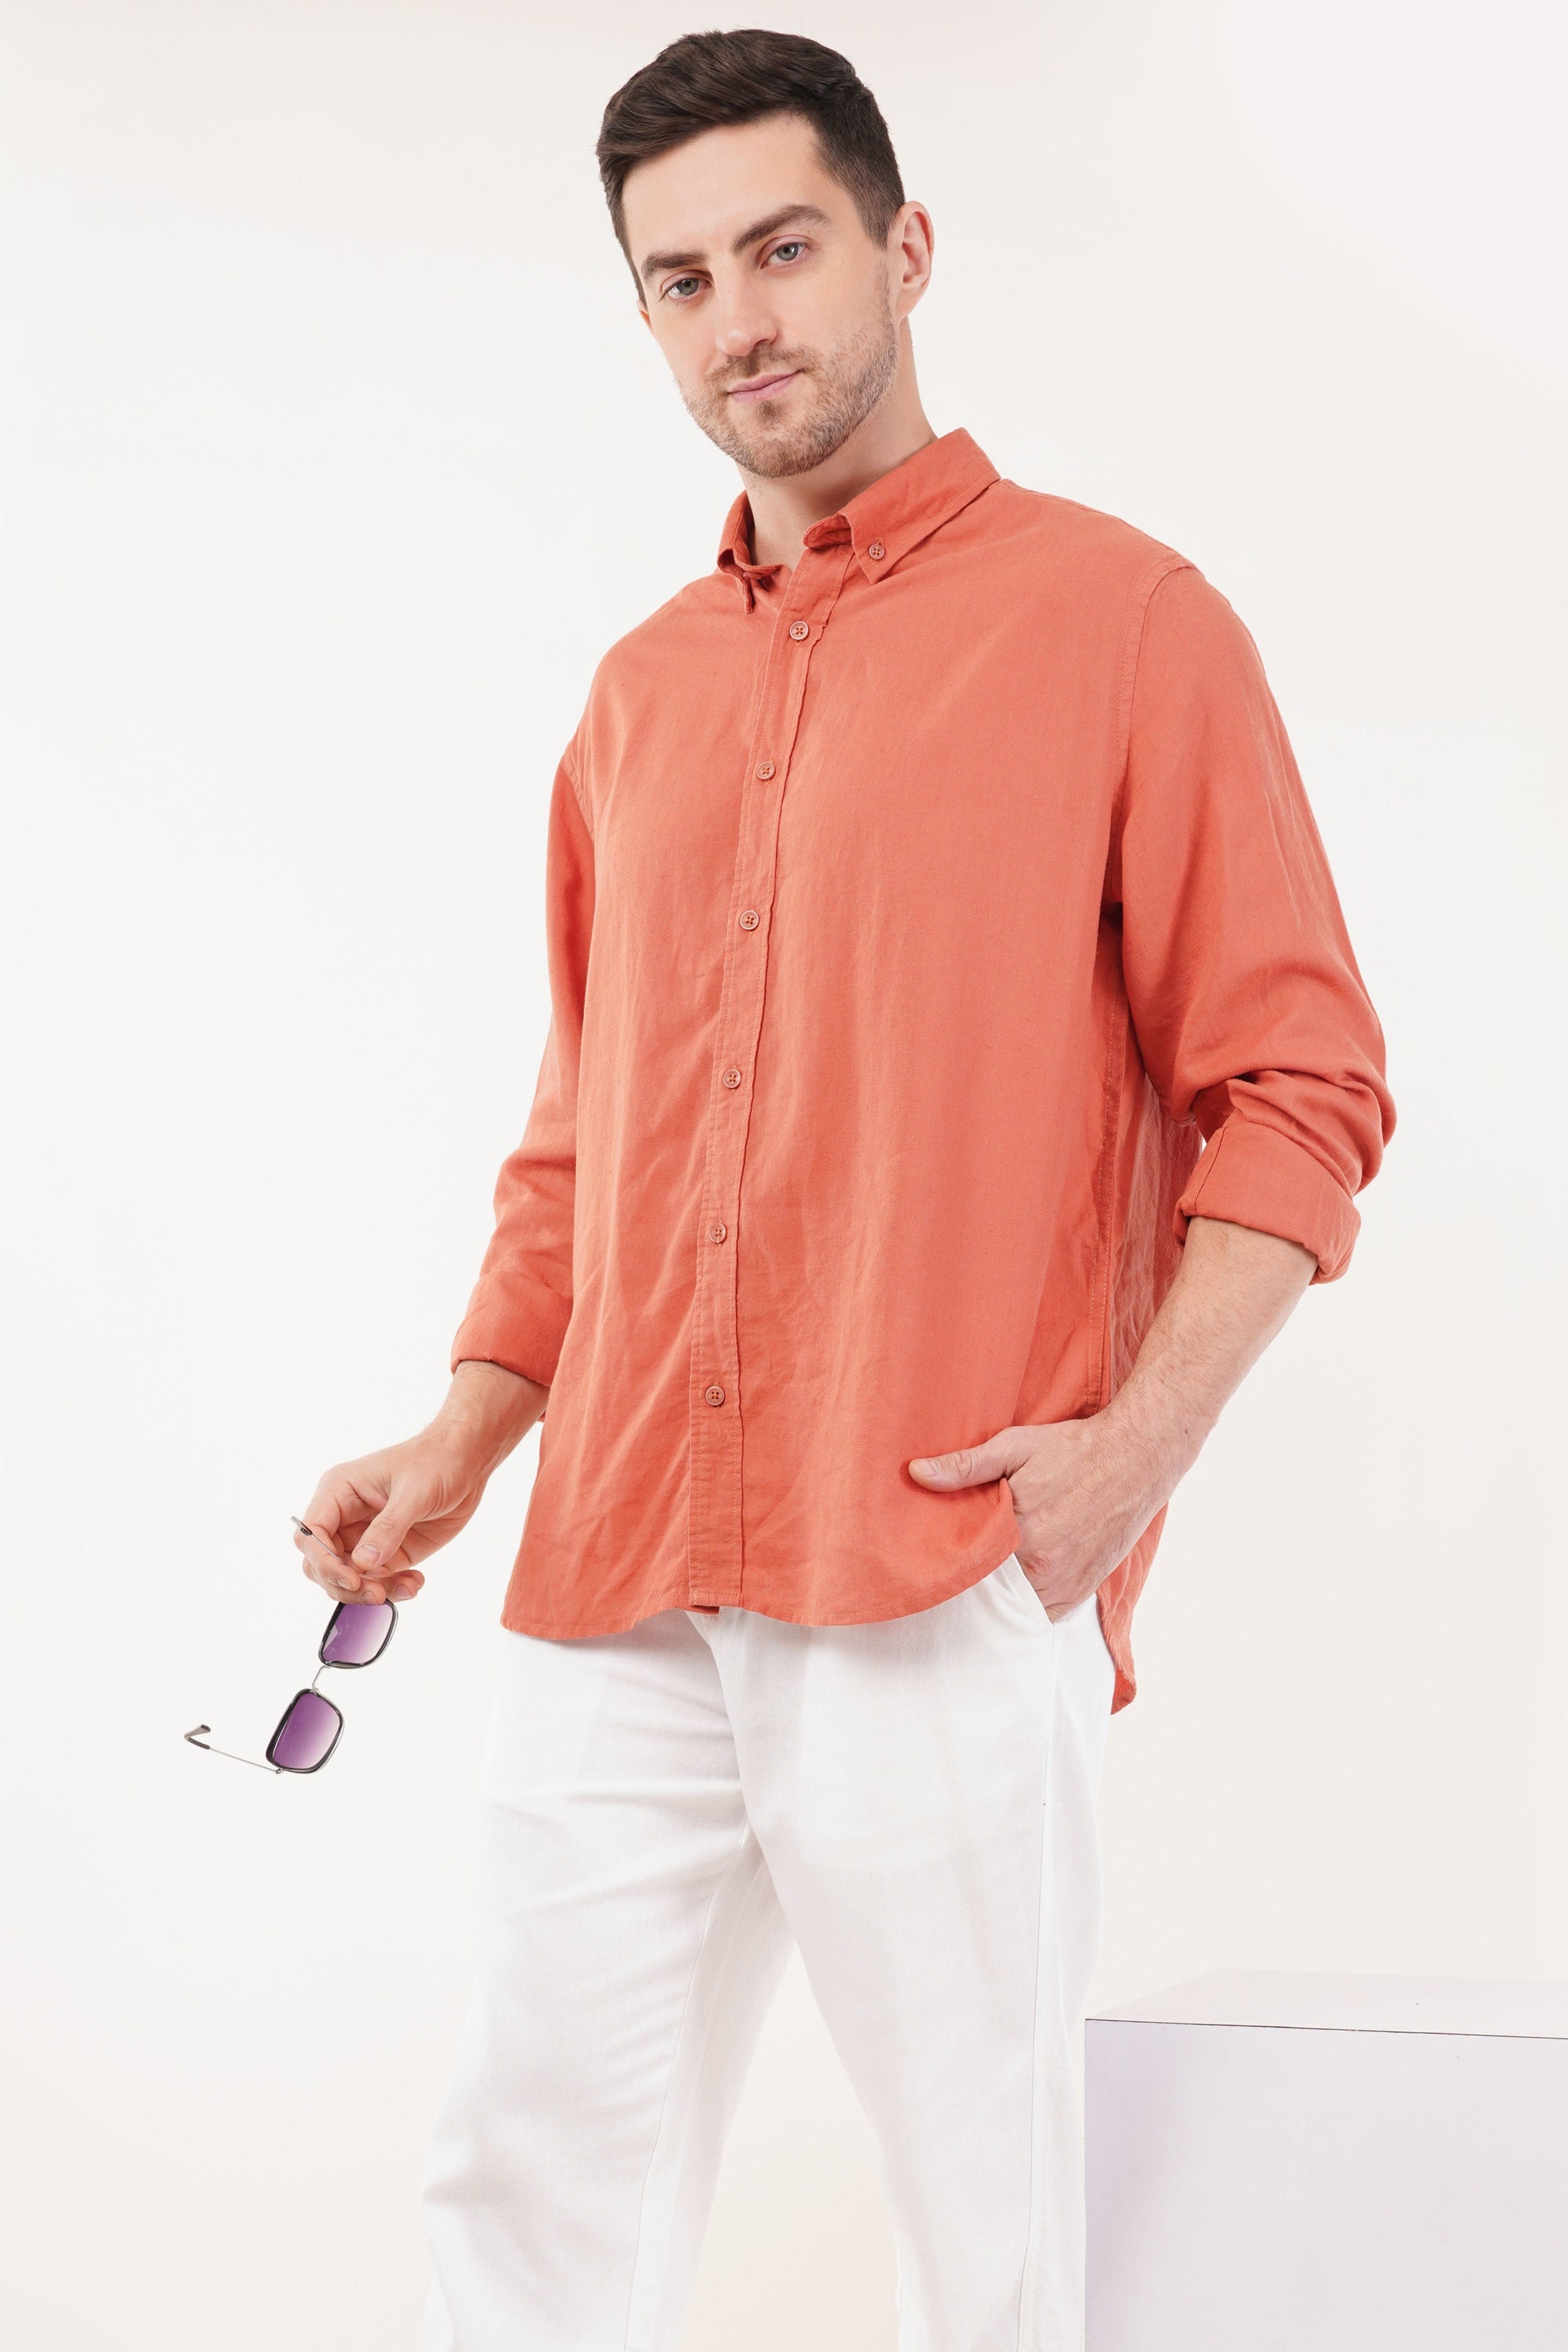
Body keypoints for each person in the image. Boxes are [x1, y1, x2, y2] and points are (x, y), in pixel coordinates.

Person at [294, 29, 1394, 2351]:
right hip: (620, 1557)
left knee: (986, 2240)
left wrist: (1128, 1458)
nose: (742, 322)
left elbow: (1302, 1084)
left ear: (906, 250)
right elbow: (588, 1132)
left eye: (782, 248)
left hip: (935, 1548)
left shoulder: (1127, 623)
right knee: (524, 2185)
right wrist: (465, 1434)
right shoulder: (637, 696)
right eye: (680, 280)